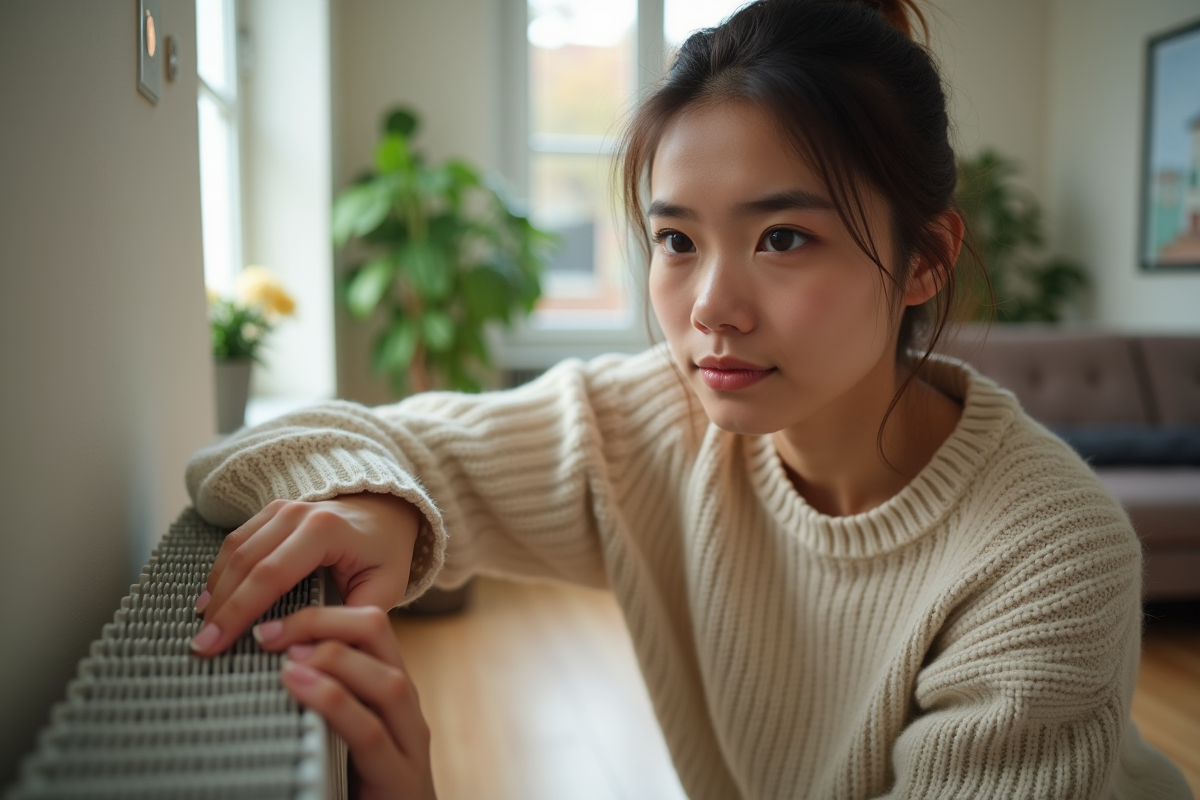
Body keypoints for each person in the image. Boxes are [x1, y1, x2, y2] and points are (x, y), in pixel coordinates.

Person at [185, 0, 1193, 797]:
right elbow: (256, 452)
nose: (711, 308)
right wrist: (388, 501)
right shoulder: (656, 418)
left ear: (925, 259)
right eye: (676, 239)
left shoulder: (1049, 553)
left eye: (783, 237)